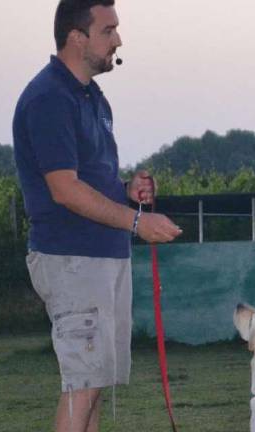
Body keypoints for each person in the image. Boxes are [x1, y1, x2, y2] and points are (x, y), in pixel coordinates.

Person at [12, 1, 182, 430]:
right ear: (77, 37)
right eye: (108, 30)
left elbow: (87, 178)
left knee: (95, 382)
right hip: (71, 259)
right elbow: (63, 189)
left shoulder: (92, 98)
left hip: (102, 256)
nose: (118, 40)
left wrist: (127, 192)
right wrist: (138, 222)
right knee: (82, 385)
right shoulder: (49, 98)